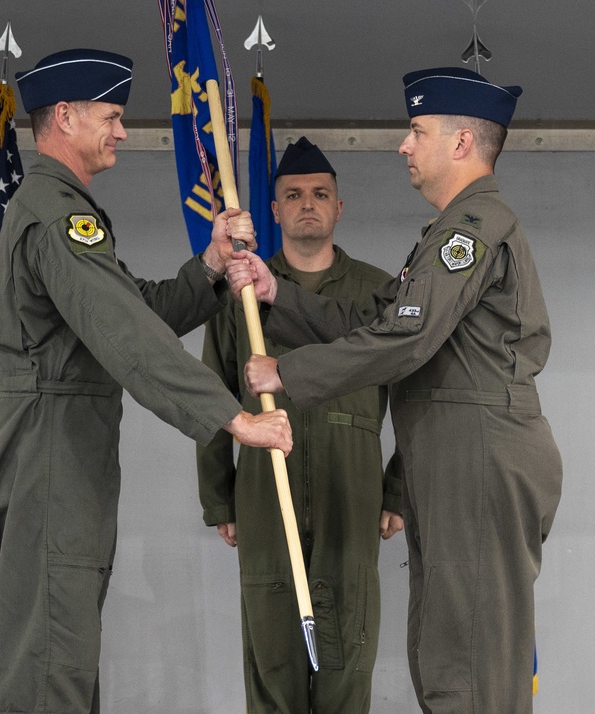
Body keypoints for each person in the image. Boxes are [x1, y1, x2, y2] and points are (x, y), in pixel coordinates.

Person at [230, 67, 562, 714]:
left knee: (464, 666)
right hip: (457, 454)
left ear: (461, 143)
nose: (403, 146)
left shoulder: (472, 231)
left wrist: (288, 373)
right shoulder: (449, 231)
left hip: (477, 457)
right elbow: (380, 319)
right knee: (448, 651)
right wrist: (281, 298)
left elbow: (405, 341)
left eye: (416, 131)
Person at [0, 48, 292, 714]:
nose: (122, 131)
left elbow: (129, 309)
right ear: (65, 116)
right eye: (112, 116)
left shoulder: (58, 210)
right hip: (51, 448)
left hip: (59, 446)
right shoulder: (60, 218)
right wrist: (233, 417)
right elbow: (124, 332)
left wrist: (208, 268)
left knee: (61, 647)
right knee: (50, 665)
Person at [197, 137, 404, 713]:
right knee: (272, 659)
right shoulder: (240, 295)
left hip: (351, 487)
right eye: (292, 194)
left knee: (348, 655)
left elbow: (416, 399)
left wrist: (398, 489)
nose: (307, 203)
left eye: (320, 194)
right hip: (265, 486)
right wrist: (221, 498)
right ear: (274, 211)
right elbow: (212, 394)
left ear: (340, 208)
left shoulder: (378, 292)